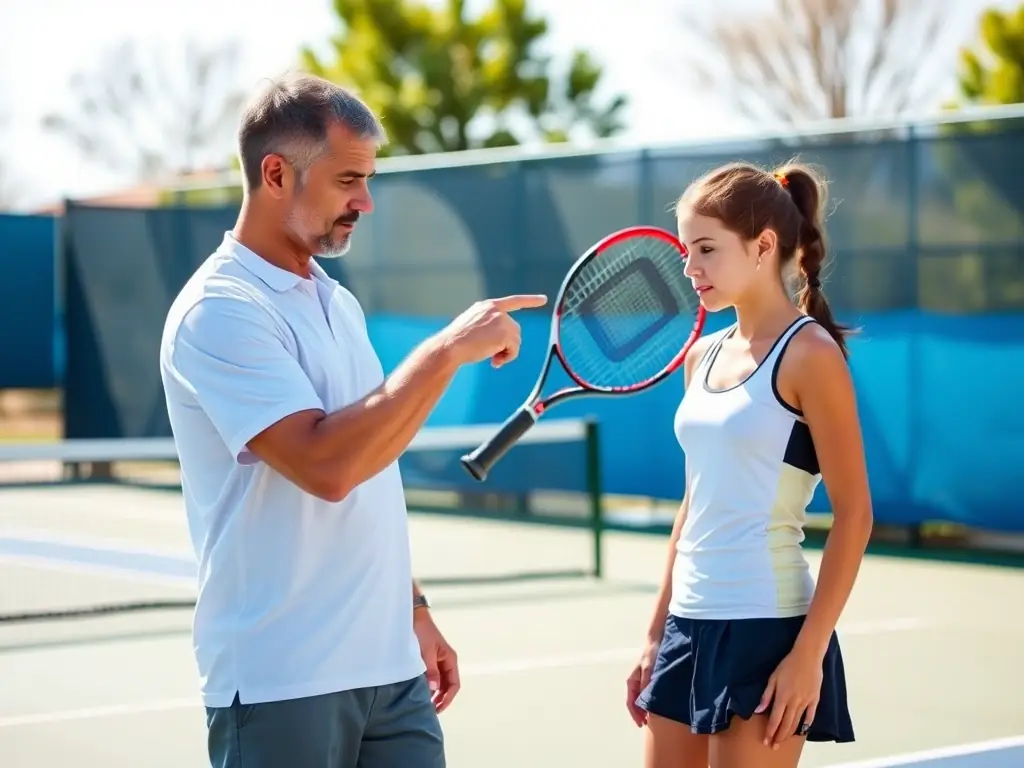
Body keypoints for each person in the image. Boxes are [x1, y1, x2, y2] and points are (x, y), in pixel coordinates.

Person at [158, 72, 546, 768]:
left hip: (390, 672)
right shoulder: (219, 311)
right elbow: (328, 467)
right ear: (276, 174)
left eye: (366, 180)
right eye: (346, 181)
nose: (364, 201)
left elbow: (373, 471)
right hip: (283, 680)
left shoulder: (337, 303)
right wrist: (445, 351)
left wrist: (414, 609)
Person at [624, 161, 873, 768]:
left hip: (767, 629)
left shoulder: (810, 354)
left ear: (763, 246)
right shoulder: (701, 356)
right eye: (687, 250)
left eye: (706, 249)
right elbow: (694, 505)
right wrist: (658, 631)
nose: (690, 267)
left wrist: (807, 655)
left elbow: (855, 516)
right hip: (688, 624)